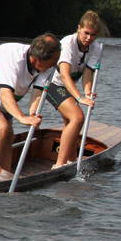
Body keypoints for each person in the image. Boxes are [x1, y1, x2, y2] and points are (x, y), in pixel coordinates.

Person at [0, 33, 61, 176]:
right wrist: (22, 117)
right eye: (52, 62)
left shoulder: (47, 66)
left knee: (8, 135)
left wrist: (33, 113)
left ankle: (5, 175)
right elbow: (6, 94)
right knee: (1, 128)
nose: (55, 65)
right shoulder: (14, 59)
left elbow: (37, 93)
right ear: (38, 60)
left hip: (2, 98)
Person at [45, 10, 105, 169]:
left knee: (71, 123)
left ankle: (71, 160)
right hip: (52, 85)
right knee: (77, 117)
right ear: (79, 28)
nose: (89, 38)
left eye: (93, 35)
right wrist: (79, 98)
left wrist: (87, 93)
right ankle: (59, 165)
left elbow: (87, 73)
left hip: (68, 87)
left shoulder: (96, 48)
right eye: (86, 33)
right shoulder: (67, 43)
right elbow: (64, 75)